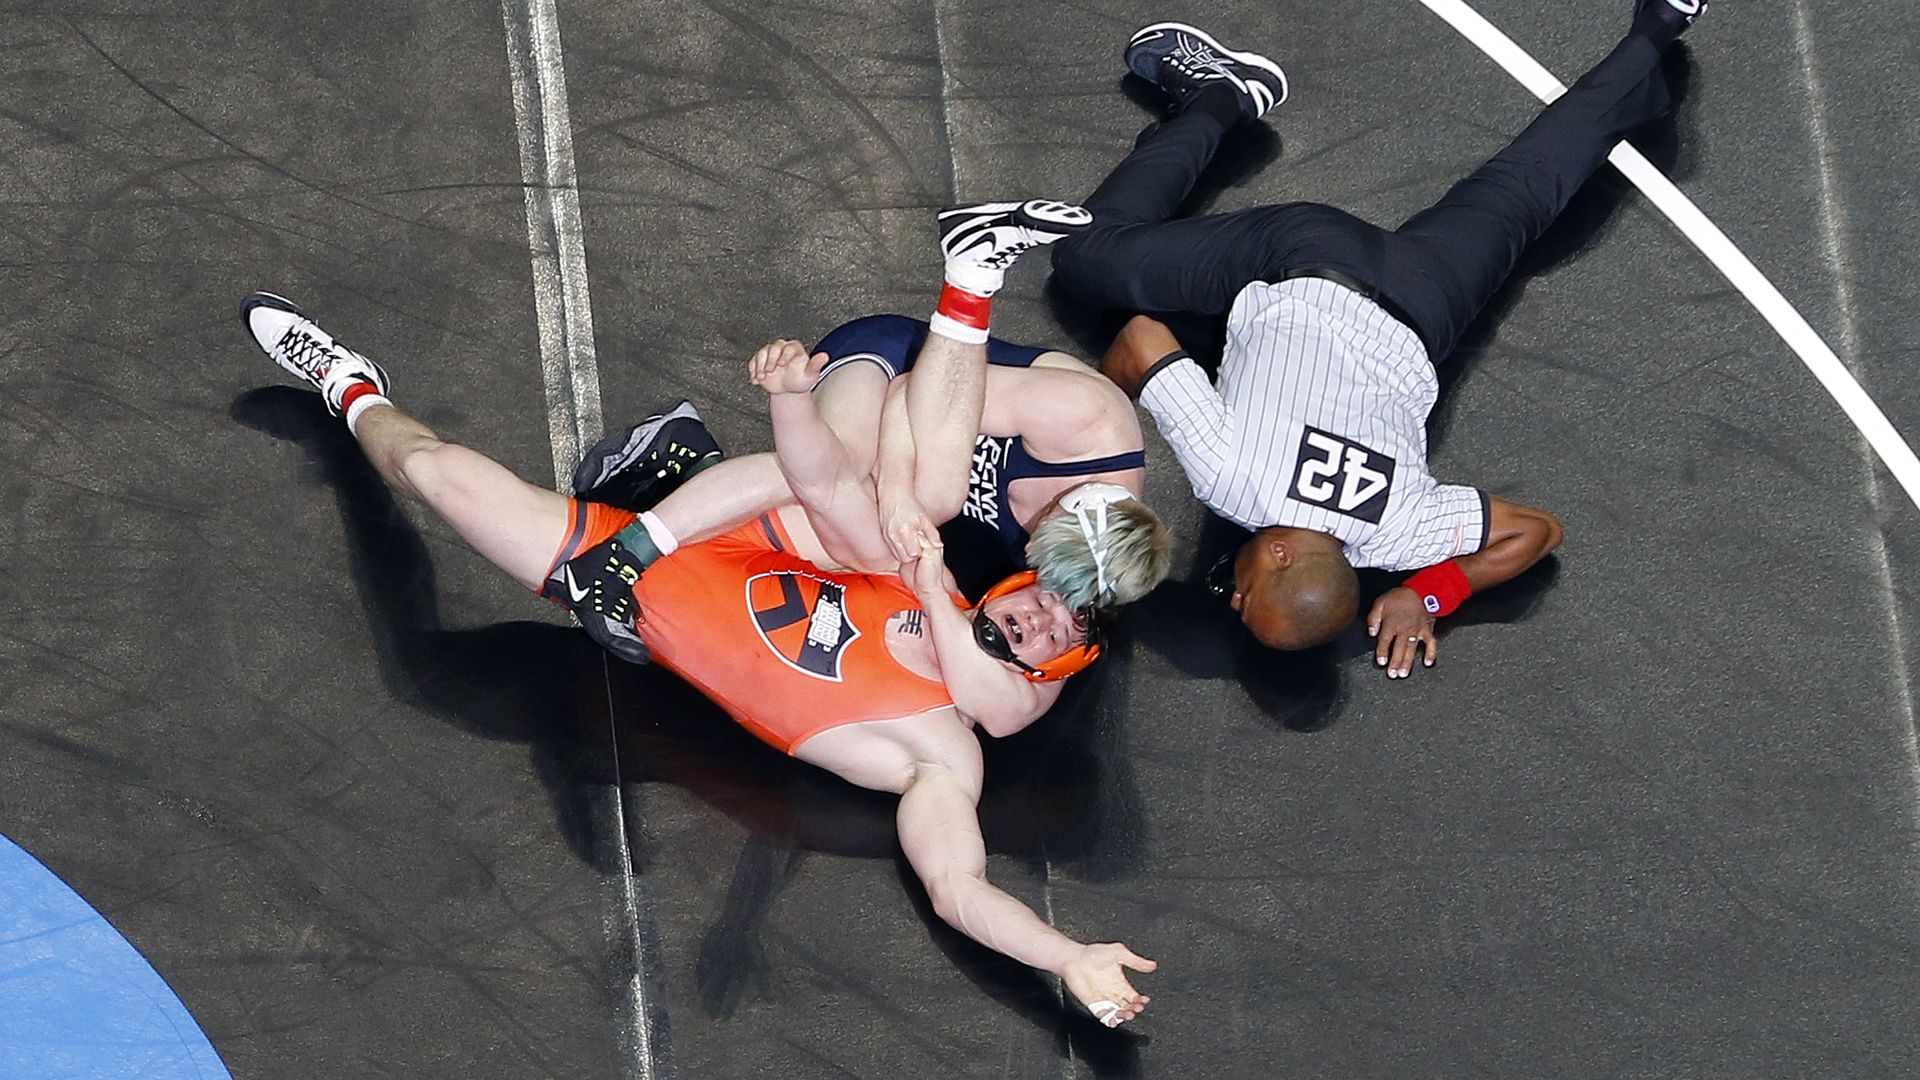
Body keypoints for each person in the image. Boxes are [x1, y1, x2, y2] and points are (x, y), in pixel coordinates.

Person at [239, 291, 1158, 1027]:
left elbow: (958, 890)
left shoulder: (940, 755)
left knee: (433, 483)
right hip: (696, 536)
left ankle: (356, 392)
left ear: (1054, 672)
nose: (1039, 619)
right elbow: (818, 476)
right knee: (867, 500)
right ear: (1014, 582)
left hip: (629, 589)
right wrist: (793, 399)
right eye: (1043, 601)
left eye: (1055, 634)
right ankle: (656, 480)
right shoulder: (911, 557)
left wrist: (1067, 955)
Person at [1051, 3, 1707, 676]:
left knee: (1533, 181)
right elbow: (1140, 338)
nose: (1232, 594)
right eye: (1245, 599)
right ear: (1279, 554)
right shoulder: (1230, 477)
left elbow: (1536, 531)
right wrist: (1096, 440)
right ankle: (1221, 97)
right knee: (1082, 256)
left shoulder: (1402, 531)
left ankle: (1660, 28)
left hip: (1429, 296)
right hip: (1302, 254)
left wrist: (1430, 589)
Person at [581, 200, 1173, 614]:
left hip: (917, 449)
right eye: (1047, 528)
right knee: (854, 476)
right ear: (1085, 505)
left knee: (857, 544)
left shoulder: (1084, 565)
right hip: (894, 362)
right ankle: (625, 553)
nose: (1033, 531)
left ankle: (692, 461)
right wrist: (896, 498)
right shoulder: (1086, 421)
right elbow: (908, 392)